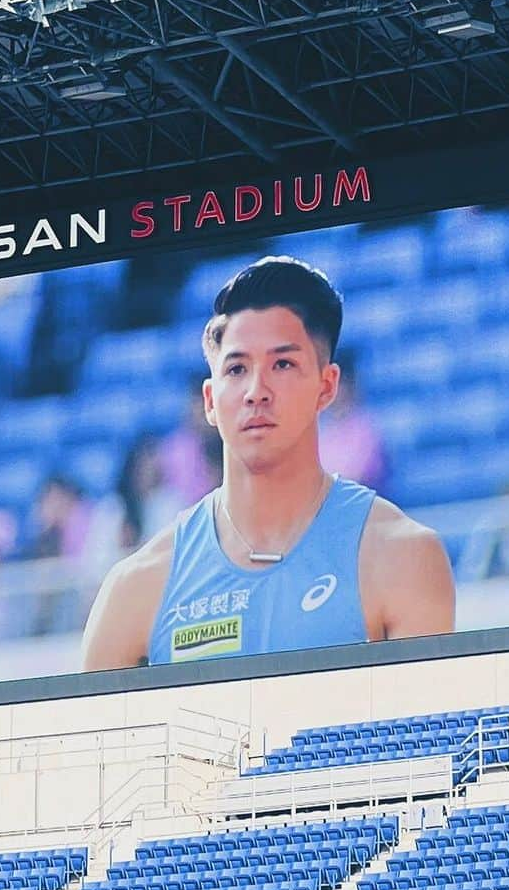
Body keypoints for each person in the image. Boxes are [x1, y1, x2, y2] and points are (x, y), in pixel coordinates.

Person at [81, 256, 455, 670]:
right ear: (209, 400)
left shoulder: (402, 556)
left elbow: (420, 731)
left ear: (327, 386)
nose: (256, 391)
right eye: (237, 369)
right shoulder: (136, 587)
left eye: (283, 364)